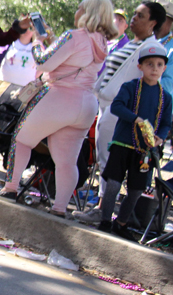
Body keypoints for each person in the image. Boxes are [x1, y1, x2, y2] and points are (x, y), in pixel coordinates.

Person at [0, 0, 114, 217]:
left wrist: (38, 40)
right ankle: (59, 207)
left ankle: (10, 187)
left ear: (87, 13)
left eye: (79, 8)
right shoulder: (102, 42)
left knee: (21, 139)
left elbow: (43, 62)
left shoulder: (75, 36)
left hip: (59, 98)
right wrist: (53, 40)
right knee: (66, 159)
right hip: (86, 104)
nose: (76, 12)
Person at [73, 45, 172, 238]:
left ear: (164, 69)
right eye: (149, 64)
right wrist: (136, 119)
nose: (154, 68)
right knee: (113, 184)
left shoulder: (166, 97)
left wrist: (160, 137)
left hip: (145, 151)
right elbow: (117, 106)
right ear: (140, 66)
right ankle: (105, 220)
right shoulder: (130, 87)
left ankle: (122, 223)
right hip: (122, 143)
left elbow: (167, 123)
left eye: (159, 65)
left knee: (136, 189)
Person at [83, 1, 165, 214]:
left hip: (121, 110)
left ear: (153, 23)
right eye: (134, 14)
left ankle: (104, 209)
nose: (134, 18)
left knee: (110, 160)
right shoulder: (128, 43)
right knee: (104, 156)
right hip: (107, 105)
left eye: (140, 15)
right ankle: (102, 207)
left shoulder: (149, 49)